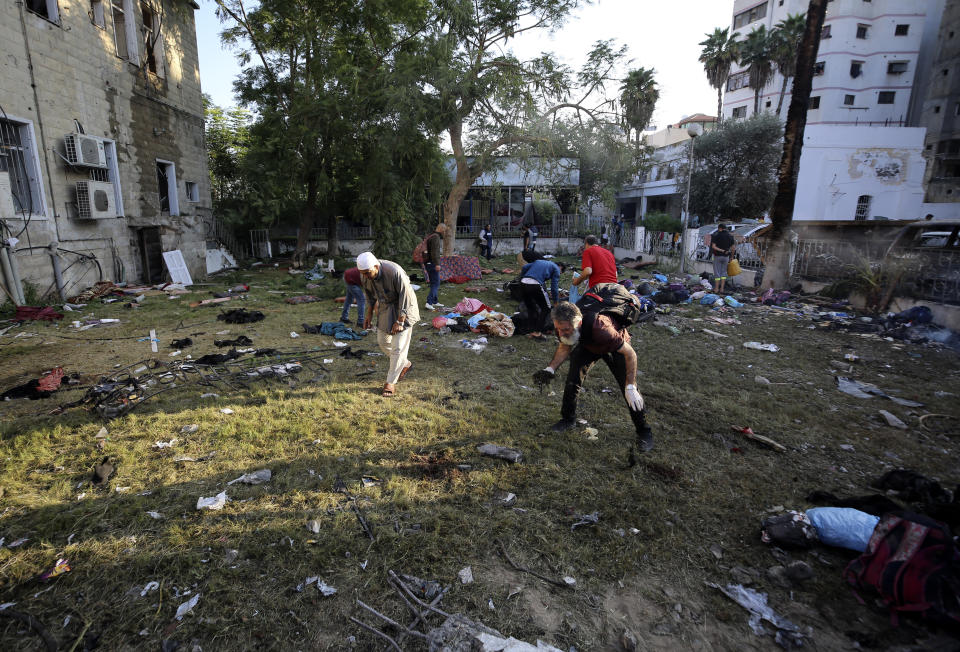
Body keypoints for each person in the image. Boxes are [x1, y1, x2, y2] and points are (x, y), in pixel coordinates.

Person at [533, 299, 653, 457]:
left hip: (615, 346)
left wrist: (630, 384)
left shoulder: (602, 329)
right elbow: (565, 345)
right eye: (558, 329)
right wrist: (551, 368)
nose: (561, 333)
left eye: (565, 329)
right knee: (573, 379)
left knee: (629, 390)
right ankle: (568, 419)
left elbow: (630, 353)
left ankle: (644, 431)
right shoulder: (562, 325)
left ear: (578, 323)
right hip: (588, 344)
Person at [357, 252, 420, 397]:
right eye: (363, 273)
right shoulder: (365, 275)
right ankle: (404, 364)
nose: (365, 276)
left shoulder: (394, 272)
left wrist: (400, 321)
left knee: (398, 347)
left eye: (368, 273)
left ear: (376, 266)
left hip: (404, 307)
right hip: (386, 307)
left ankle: (391, 382)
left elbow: (406, 296)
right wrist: (369, 314)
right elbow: (369, 295)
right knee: (383, 341)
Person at [519, 259, 566, 339]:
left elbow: (524, 267)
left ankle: (530, 331)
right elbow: (554, 287)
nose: (559, 274)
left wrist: (522, 277)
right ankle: (537, 332)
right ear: (560, 267)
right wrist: (556, 302)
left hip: (523, 283)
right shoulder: (556, 269)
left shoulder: (539, 261)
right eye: (560, 273)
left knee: (531, 307)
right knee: (546, 308)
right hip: (535, 284)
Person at [423, 223, 446, 309]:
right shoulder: (436, 237)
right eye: (444, 230)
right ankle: (429, 302)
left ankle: (435, 301)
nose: (444, 232)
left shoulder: (431, 235)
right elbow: (434, 252)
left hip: (428, 262)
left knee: (435, 282)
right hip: (432, 263)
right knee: (435, 283)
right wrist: (437, 264)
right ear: (441, 229)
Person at [710, 223, 736, 294]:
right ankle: (722, 289)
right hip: (726, 257)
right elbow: (733, 248)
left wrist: (722, 250)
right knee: (724, 272)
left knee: (717, 273)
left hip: (717, 256)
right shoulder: (730, 236)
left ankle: (716, 289)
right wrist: (731, 257)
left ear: (720, 228)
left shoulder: (716, 235)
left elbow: (713, 247)